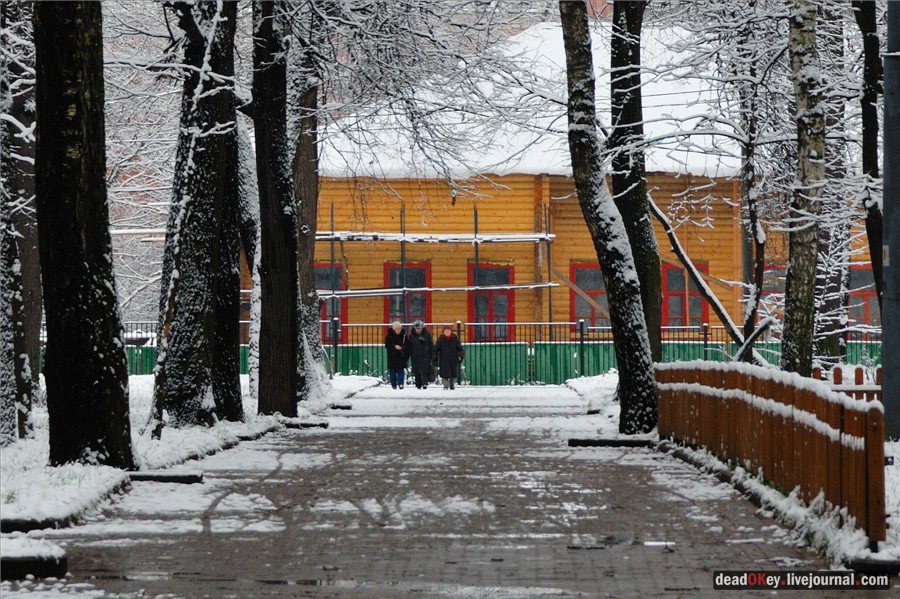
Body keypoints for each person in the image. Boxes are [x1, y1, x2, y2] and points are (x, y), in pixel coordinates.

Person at [404, 320, 434, 389]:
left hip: (425, 356)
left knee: (425, 370)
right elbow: (409, 347)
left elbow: (431, 345)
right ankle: (418, 385)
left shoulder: (427, 335)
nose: (418, 330)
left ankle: (425, 384)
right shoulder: (412, 336)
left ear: (422, 328)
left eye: (419, 328)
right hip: (415, 356)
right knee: (417, 371)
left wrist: (432, 354)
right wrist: (407, 356)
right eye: (416, 328)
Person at [433, 324, 464, 390]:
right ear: (443, 332)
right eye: (445, 331)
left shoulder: (455, 338)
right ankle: (445, 385)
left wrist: (461, 354)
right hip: (444, 359)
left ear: (451, 331)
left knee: (453, 373)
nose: (447, 332)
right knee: (445, 373)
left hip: (453, 358)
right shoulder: (441, 339)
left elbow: (459, 347)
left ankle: (452, 385)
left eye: (448, 330)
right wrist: (435, 356)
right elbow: (436, 348)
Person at [384, 321, 408, 389]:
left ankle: (401, 384)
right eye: (397, 329)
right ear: (394, 329)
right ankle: (393, 384)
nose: (399, 330)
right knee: (392, 372)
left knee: (401, 371)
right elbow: (387, 345)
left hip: (401, 356)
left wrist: (402, 348)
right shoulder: (389, 336)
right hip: (392, 356)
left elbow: (407, 345)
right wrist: (394, 346)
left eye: (400, 329)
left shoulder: (404, 336)